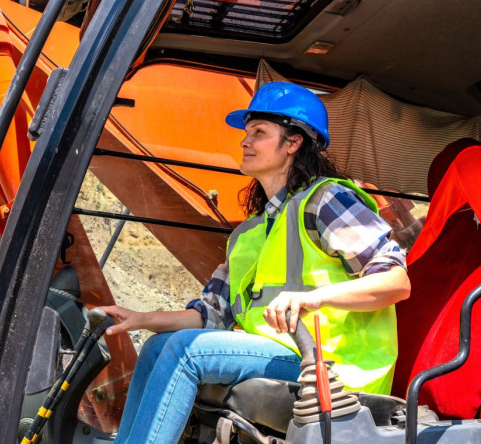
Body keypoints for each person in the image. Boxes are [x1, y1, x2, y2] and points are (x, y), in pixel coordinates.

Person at [100, 82, 411, 444]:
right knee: (158, 345)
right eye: (247, 133)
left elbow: (396, 282)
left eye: (259, 133)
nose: (244, 142)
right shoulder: (249, 232)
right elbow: (209, 314)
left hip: (329, 365)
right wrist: (142, 319)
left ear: (294, 143)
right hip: (281, 353)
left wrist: (312, 299)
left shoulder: (326, 200)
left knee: (186, 351)